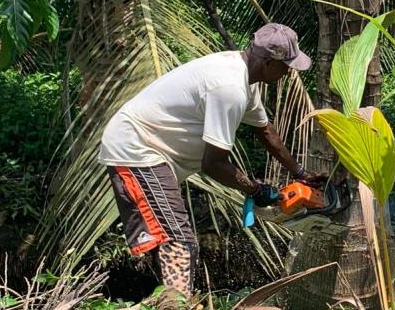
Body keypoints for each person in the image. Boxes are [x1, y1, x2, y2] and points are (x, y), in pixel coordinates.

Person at [99, 23, 325, 299]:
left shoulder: (244, 76)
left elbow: (265, 131)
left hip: (151, 154)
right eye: (286, 66)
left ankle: (174, 301)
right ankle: (176, 305)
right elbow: (213, 164)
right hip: (136, 150)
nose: (289, 72)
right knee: (178, 241)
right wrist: (256, 190)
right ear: (268, 63)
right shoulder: (229, 88)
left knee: (176, 238)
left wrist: (300, 172)